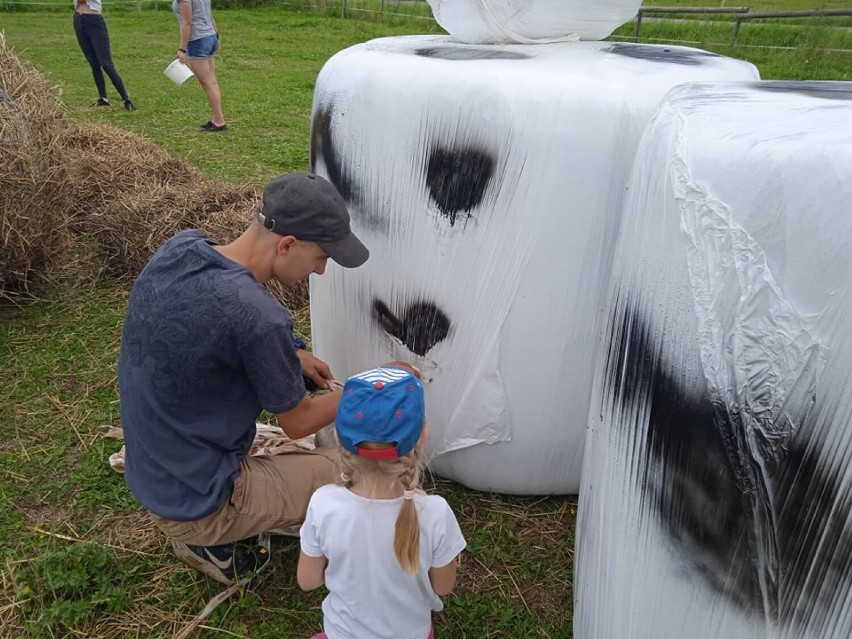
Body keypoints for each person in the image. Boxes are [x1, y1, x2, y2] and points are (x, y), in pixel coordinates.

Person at [117, 172, 369, 584]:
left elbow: (216, 318)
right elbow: (297, 422)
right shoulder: (258, 319)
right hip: (199, 500)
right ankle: (209, 541)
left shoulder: (182, 248)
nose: (321, 271)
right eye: (321, 258)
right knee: (358, 474)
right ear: (287, 244)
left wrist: (293, 350)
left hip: (156, 468)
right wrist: (367, 385)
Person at [298, 365, 467, 639]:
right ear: (422, 436)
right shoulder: (436, 512)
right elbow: (443, 587)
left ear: (338, 437)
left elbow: (308, 581)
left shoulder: (323, 504)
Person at [173, 0, 226, 131]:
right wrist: (216, 37)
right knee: (212, 82)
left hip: (198, 40)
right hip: (210, 36)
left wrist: (182, 49)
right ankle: (217, 119)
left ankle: (219, 122)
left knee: (207, 83)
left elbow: (187, 22)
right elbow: (210, 16)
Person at [73, 0, 135, 111]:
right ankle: (103, 98)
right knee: (93, 62)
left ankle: (126, 99)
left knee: (106, 64)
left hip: (94, 20)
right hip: (78, 18)